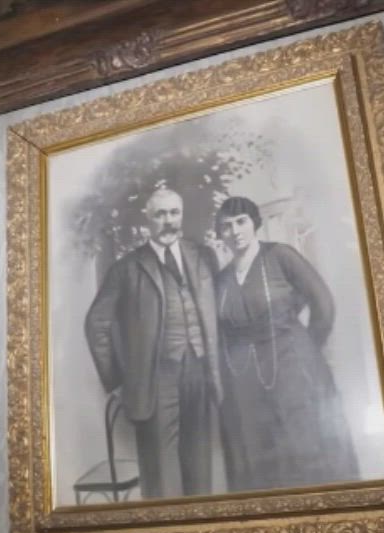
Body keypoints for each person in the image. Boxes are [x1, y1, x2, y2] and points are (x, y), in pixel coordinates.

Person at [84, 187, 222, 500]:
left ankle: (202, 523)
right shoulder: (126, 268)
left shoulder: (203, 257)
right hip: (155, 379)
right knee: (161, 473)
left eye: (174, 213)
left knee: (200, 464)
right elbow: (96, 323)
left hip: (199, 371)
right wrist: (116, 381)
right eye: (160, 214)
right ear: (148, 219)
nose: (168, 221)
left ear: (181, 216)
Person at [212, 196, 358, 492]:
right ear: (220, 234)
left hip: (293, 366)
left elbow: (323, 304)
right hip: (245, 378)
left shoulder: (280, 256)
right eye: (226, 226)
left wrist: (306, 349)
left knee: (300, 437)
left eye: (241, 222)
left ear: (254, 222)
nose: (235, 231)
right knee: (258, 448)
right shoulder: (222, 279)